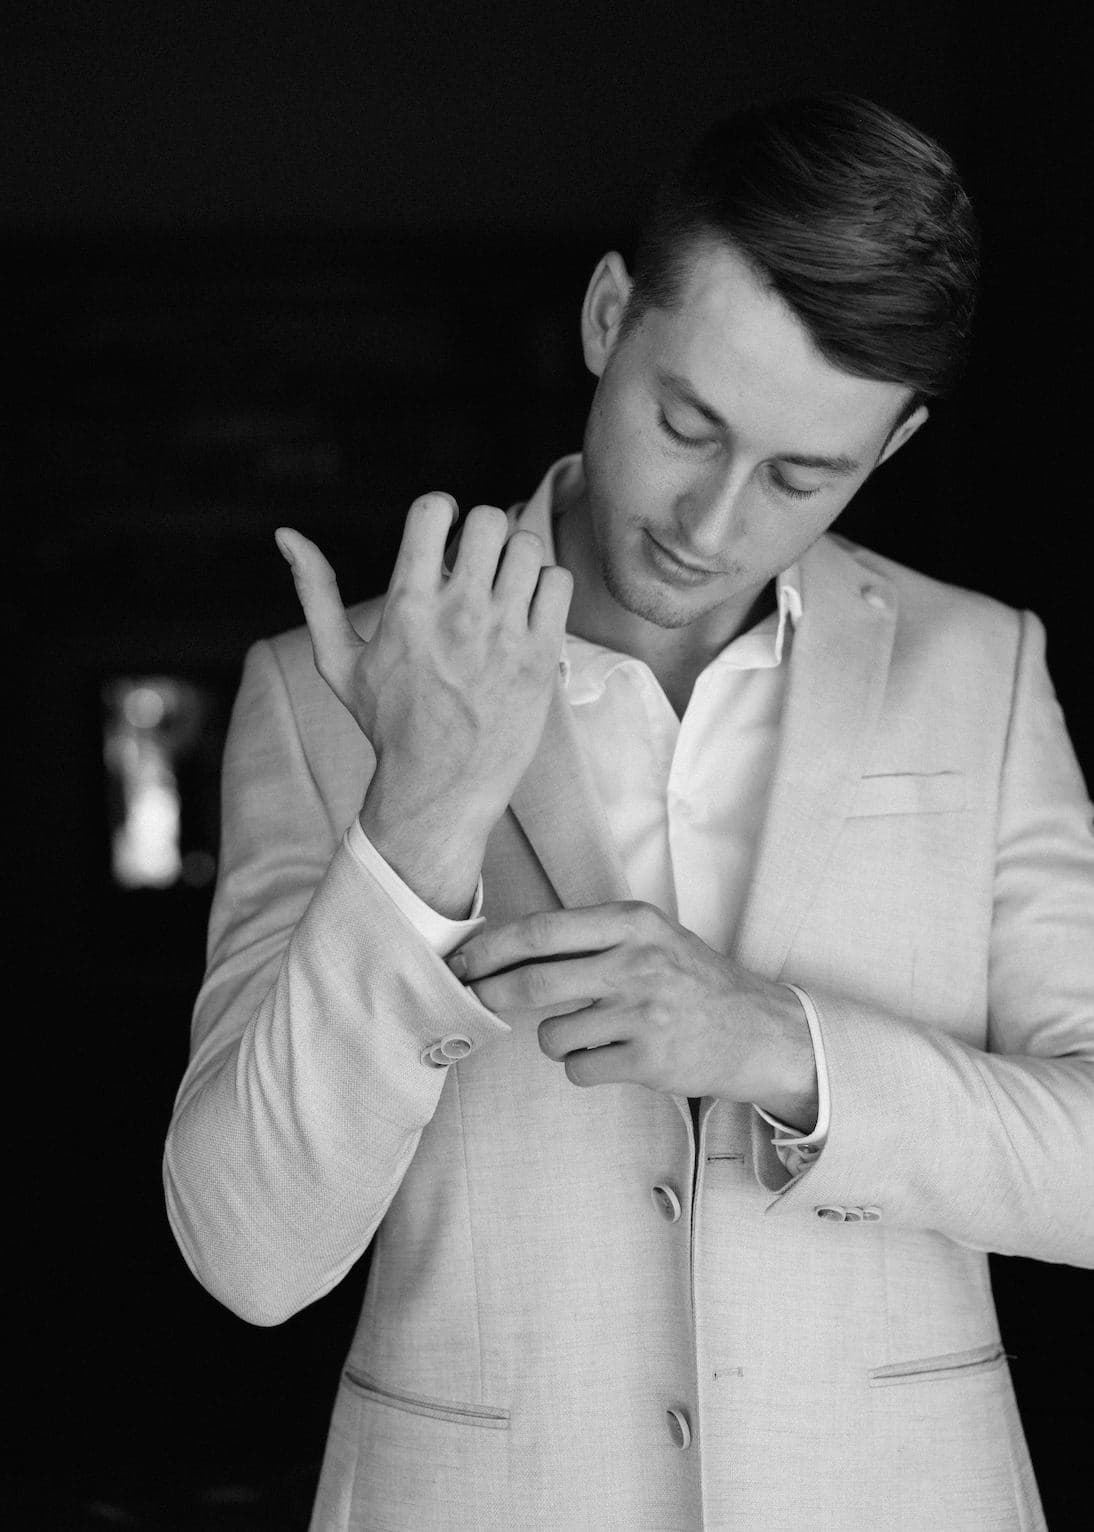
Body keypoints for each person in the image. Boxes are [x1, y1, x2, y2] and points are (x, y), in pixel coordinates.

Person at [164, 93, 1092, 1530]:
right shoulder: (318, 689)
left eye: (800, 473)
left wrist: (779, 1046)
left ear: (894, 444)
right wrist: (420, 818)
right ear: (607, 318)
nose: (708, 524)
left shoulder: (982, 666)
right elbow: (246, 1252)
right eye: (685, 422)